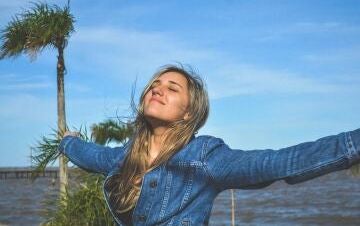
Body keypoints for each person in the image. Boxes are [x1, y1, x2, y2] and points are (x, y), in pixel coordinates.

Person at [59, 64, 360, 226]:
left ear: (189, 112)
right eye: (155, 84)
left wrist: (353, 144)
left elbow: (276, 162)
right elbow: (89, 154)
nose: (157, 89)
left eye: (172, 88)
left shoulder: (204, 158)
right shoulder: (124, 157)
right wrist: (68, 142)